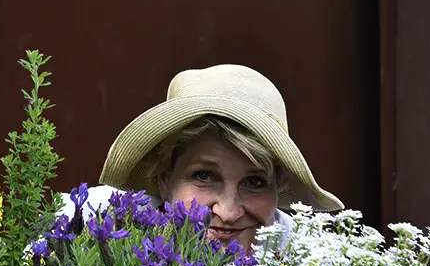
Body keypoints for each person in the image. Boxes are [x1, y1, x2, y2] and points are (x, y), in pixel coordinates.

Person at [60, 64, 343, 252]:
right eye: (204, 176)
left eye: (255, 181)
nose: (229, 212)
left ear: (278, 186)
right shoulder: (92, 224)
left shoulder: (305, 262)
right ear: (162, 179)